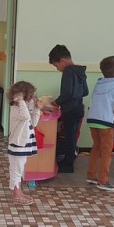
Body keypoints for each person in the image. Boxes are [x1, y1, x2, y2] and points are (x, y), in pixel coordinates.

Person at [86, 56, 114, 192]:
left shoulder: (99, 83)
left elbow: (92, 102)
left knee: (96, 148)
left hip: (92, 120)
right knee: (106, 153)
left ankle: (91, 175)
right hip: (107, 123)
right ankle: (103, 181)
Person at [48, 44, 88, 173]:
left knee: (69, 137)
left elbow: (68, 93)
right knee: (72, 137)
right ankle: (68, 160)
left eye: (56, 65)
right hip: (78, 108)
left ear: (63, 60)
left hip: (70, 110)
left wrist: (56, 102)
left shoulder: (68, 71)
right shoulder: (80, 70)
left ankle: (68, 165)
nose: (57, 69)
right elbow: (85, 91)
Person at [7, 80, 40, 205]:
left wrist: (37, 109)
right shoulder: (17, 110)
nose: (34, 97)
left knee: (19, 170)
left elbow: (33, 123)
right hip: (17, 146)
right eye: (31, 95)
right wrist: (21, 100)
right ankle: (16, 195)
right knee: (16, 170)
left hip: (23, 146)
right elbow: (26, 116)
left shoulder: (22, 109)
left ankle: (19, 192)